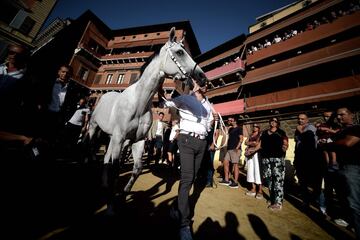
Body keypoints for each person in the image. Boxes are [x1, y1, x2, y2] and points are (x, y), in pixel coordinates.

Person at [161, 84, 215, 240]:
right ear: (196, 85)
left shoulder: (209, 104)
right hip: (186, 140)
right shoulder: (185, 98)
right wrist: (161, 91)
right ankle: (184, 224)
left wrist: (213, 121)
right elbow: (167, 103)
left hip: (202, 143)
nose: (205, 85)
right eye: (201, 82)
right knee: (187, 179)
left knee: (191, 179)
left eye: (206, 83)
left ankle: (176, 208)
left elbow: (208, 124)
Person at [323, 107, 360, 238]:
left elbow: (348, 143)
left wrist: (330, 145)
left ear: (351, 114)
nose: (339, 117)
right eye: (337, 115)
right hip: (343, 167)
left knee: (354, 203)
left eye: (342, 115)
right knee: (346, 199)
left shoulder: (355, 128)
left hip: (353, 167)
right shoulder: (342, 130)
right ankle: (352, 223)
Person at [260, 117, 288, 210]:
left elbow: (285, 143)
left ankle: (278, 203)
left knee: (278, 180)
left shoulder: (281, 132)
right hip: (266, 159)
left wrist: (284, 148)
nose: (273, 122)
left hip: (277, 159)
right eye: (272, 121)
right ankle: (273, 199)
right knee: (269, 180)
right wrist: (251, 150)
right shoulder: (264, 133)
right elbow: (260, 145)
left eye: (275, 121)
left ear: (278, 123)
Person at [294, 113, 321, 208]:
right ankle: (305, 201)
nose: (300, 120)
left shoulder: (311, 128)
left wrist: (300, 130)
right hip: (300, 158)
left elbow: (309, 139)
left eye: (302, 119)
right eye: (299, 118)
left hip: (310, 159)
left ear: (307, 120)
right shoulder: (298, 129)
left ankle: (317, 202)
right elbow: (297, 144)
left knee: (313, 183)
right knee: (302, 181)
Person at [219, 117, 244, 188]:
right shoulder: (230, 129)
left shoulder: (239, 129)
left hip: (235, 149)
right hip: (229, 149)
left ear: (235, 121)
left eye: (232, 120)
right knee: (225, 162)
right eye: (230, 120)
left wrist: (237, 147)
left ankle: (235, 182)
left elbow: (241, 139)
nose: (230, 121)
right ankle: (226, 180)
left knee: (235, 164)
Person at [245, 124, 263, 199]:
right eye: (254, 126)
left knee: (257, 171)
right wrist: (252, 143)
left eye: (256, 126)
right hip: (249, 154)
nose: (254, 128)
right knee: (251, 171)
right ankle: (253, 188)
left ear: (259, 128)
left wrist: (251, 144)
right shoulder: (251, 135)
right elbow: (246, 142)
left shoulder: (260, 134)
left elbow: (258, 144)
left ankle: (260, 190)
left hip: (256, 154)